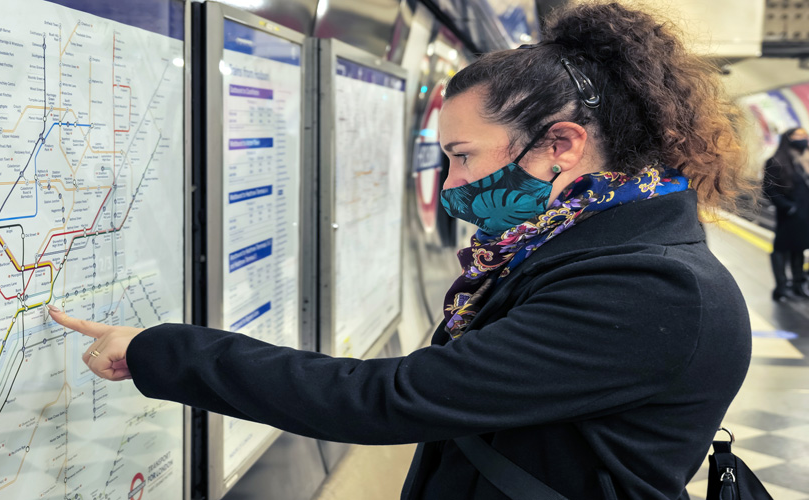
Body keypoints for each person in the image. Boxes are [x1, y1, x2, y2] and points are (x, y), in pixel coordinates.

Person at [48, 3, 752, 499]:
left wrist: (161, 351)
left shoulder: (651, 289)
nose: (454, 185)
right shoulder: (583, 244)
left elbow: (394, 397)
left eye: (462, 156)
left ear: (561, 145)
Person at [763, 127, 809, 301]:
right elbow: (768, 188)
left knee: (799, 249)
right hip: (789, 215)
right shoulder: (776, 161)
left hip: (805, 215)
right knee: (781, 249)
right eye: (798, 135)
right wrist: (787, 207)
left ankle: (798, 285)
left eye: (805, 135)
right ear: (787, 138)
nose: (803, 138)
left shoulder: (804, 160)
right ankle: (781, 288)